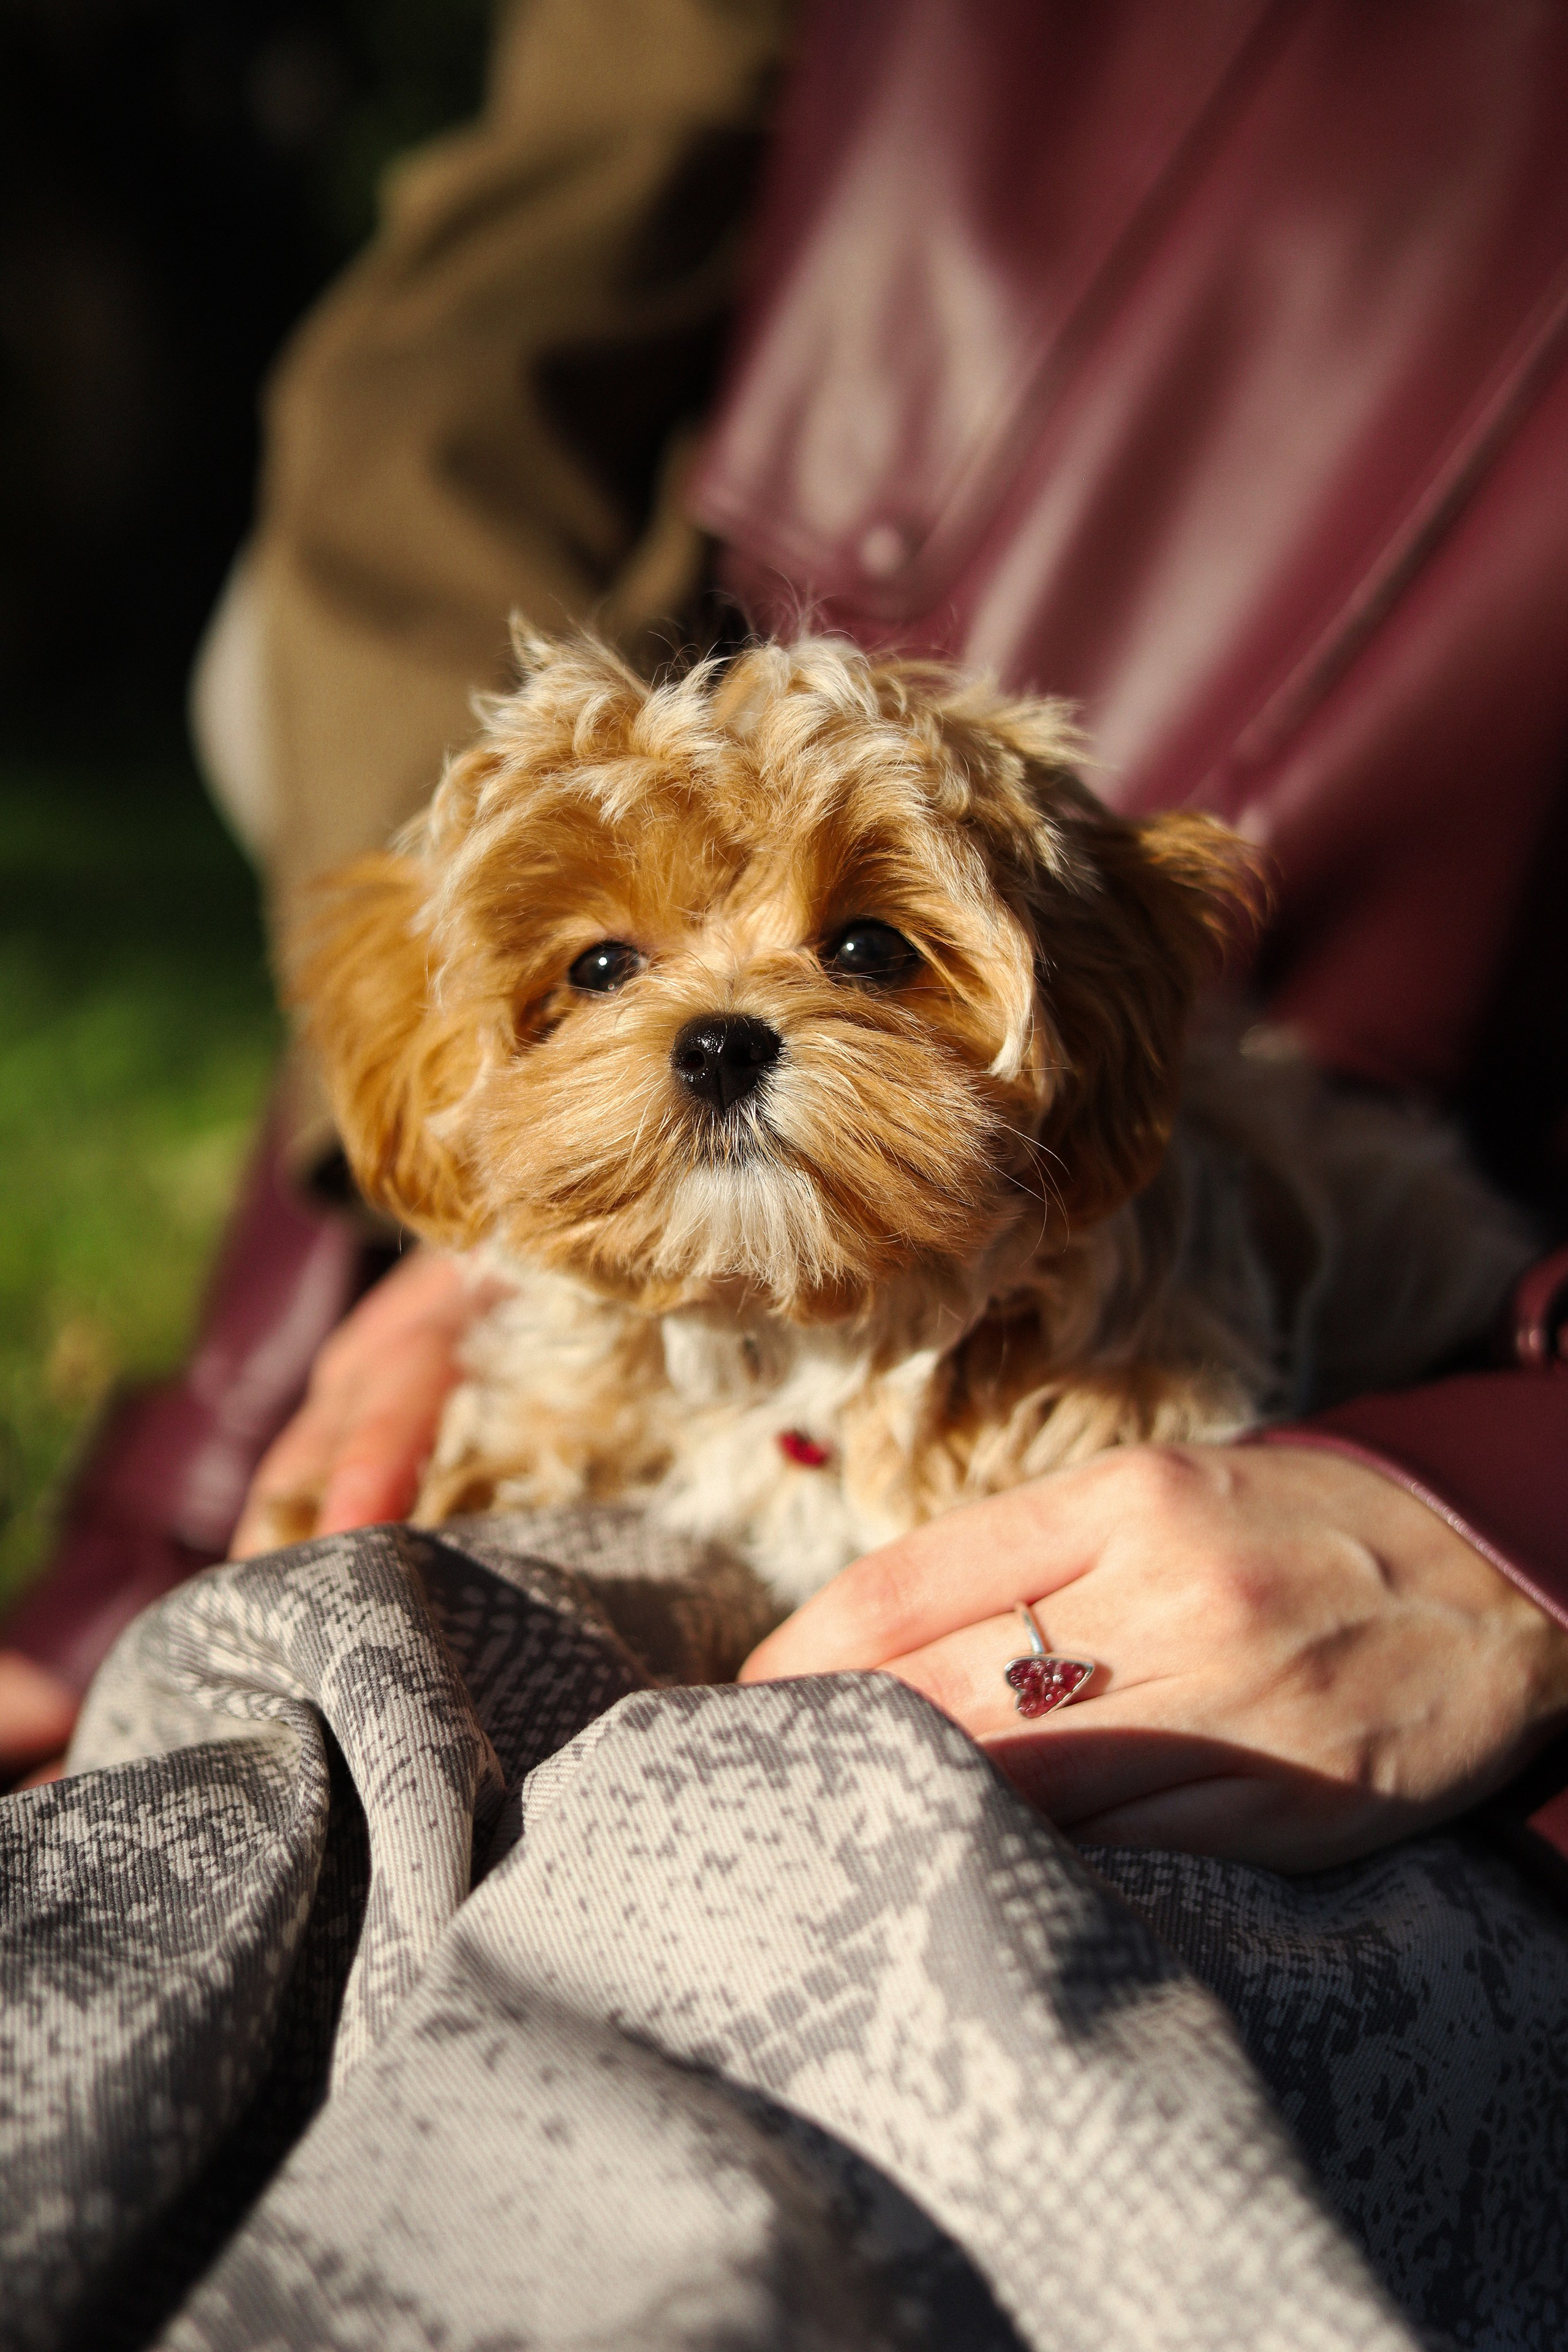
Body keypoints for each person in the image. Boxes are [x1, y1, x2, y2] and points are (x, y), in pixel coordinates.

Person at [3, 8, 1568, 2339]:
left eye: (866, 948)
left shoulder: (1155, 1301)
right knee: (276, 1769)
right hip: (562, 1401)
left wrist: (1527, 1499)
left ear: (1086, 1024)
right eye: (612, 965)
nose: (721, 1025)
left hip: (1326, 1572)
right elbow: (434, 422)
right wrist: (198, 1488)